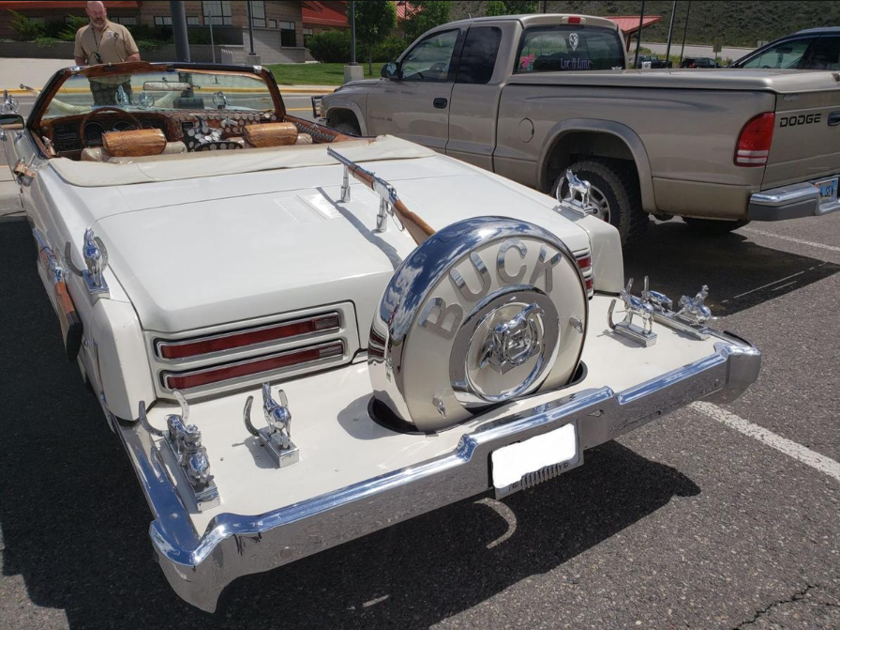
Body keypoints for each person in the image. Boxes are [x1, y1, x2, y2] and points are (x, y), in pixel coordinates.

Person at [74, 1, 141, 105]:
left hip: (122, 82)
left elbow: (135, 55)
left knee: (126, 115)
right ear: (88, 12)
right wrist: (88, 72)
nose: (98, 16)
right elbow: (79, 58)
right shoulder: (81, 34)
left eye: (101, 12)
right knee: (103, 116)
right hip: (98, 84)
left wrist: (121, 69)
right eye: (94, 13)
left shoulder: (121, 30)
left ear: (105, 11)